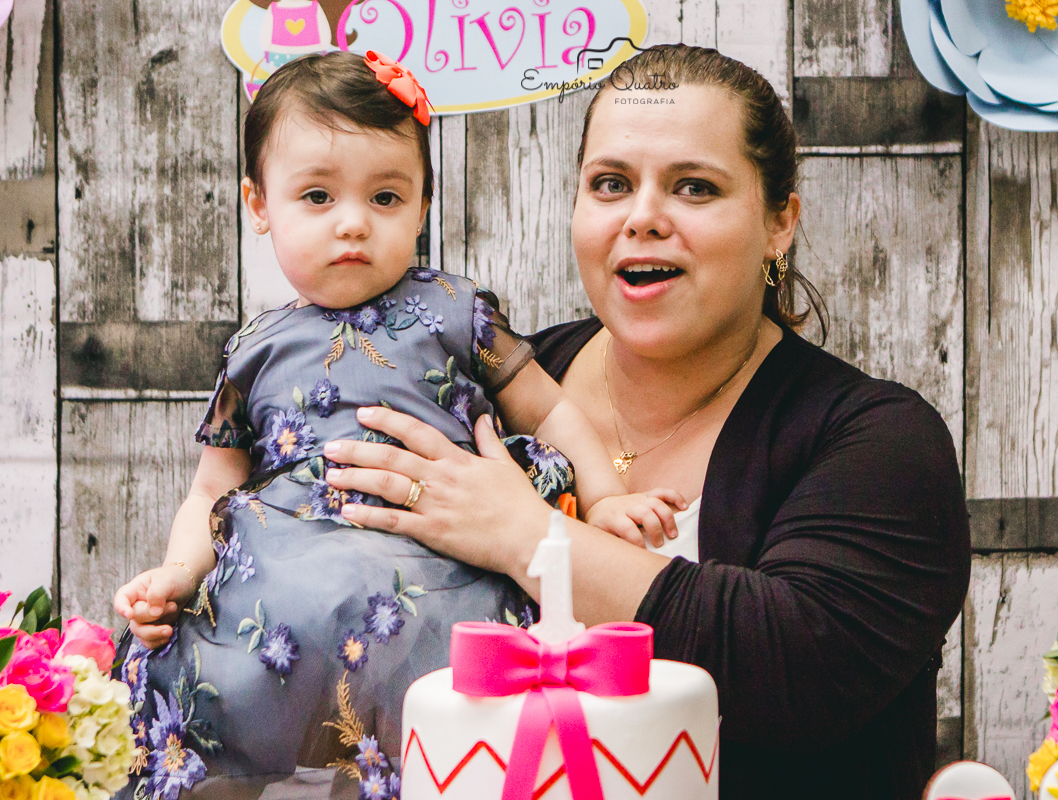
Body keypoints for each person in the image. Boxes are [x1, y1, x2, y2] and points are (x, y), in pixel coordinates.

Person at [320, 44, 973, 799]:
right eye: (610, 184)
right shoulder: (488, 391)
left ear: (778, 223)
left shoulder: (879, 441)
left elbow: (792, 671)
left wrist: (526, 535)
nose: (643, 218)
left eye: (694, 187)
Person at [110, 50, 684, 799]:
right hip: (281, 590)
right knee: (216, 703)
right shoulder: (252, 350)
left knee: (452, 736)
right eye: (317, 197)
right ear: (259, 205)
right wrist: (177, 577)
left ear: (421, 207)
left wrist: (602, 497)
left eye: (385, 198)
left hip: (437, 576)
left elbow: (549, 409)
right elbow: (210, 490)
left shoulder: (457, 310)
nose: (353, 223)